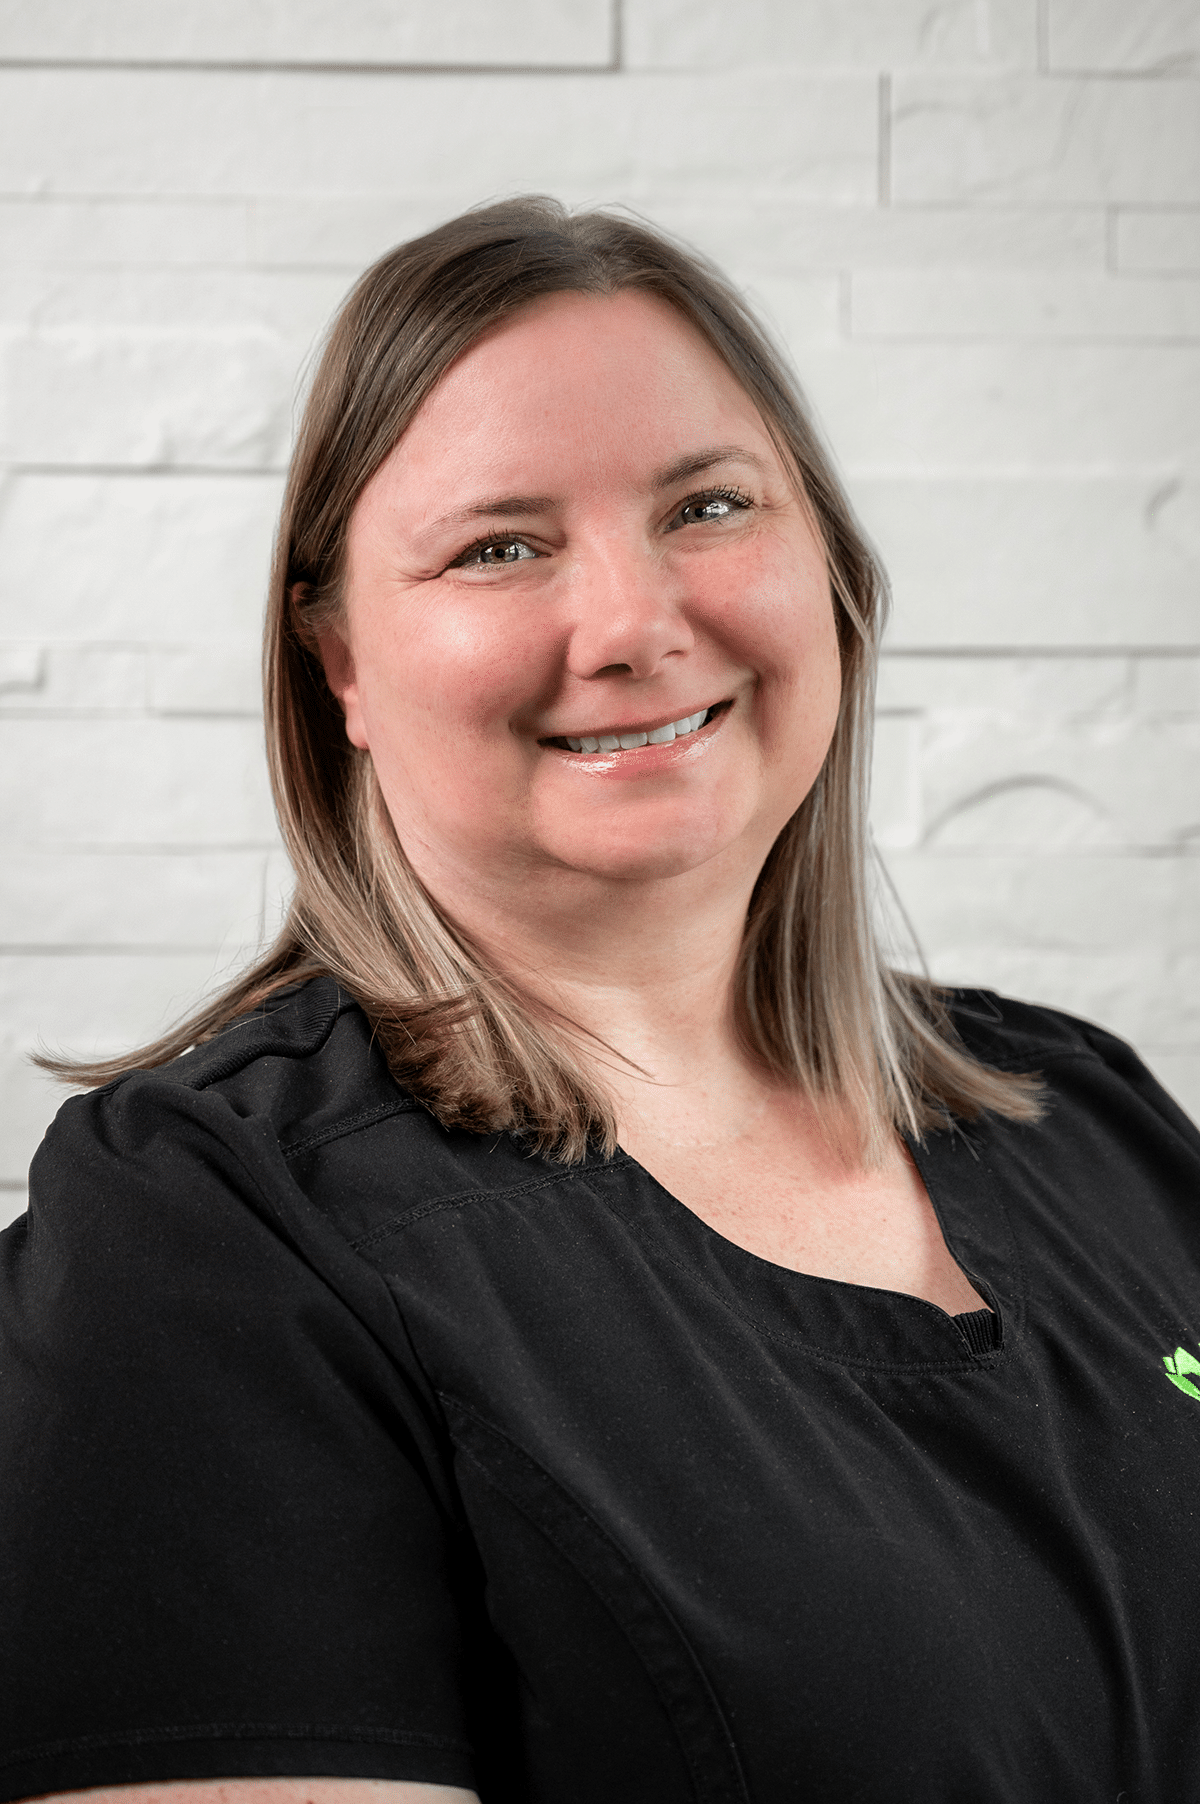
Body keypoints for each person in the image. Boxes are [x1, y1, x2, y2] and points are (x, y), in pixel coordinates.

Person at [3, 197, 1200, 1804]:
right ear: (338, 663)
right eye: (501, 546)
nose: (637, 625)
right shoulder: (206, 1234)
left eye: (710, 506)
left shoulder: (1094, 1116)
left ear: (830, 571)